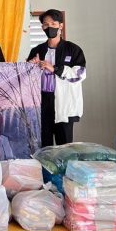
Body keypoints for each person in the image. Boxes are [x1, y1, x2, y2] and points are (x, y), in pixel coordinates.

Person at [27, 9, 86, 148]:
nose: (50, 27)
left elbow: (80, 74)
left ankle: (64, 170)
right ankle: (43, 170)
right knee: (43, 146)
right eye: (46, 24)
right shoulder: (37, 50)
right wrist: (30, 67)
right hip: (42, 102)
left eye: (53, 23)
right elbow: (27, 80)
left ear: (61, 26)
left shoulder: (73, 49)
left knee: (65, 147)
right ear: (42, 28)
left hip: (64, 103)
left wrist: (55, 69)